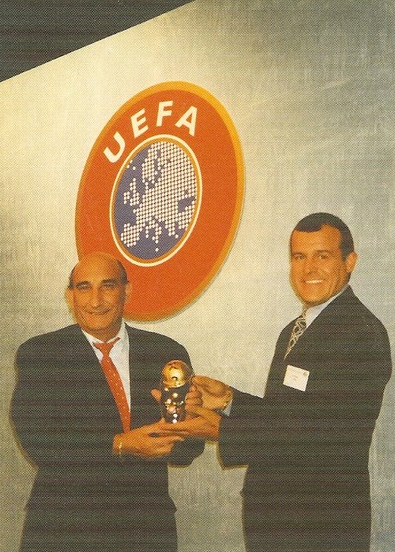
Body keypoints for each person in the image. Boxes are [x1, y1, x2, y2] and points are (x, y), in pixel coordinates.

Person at [163, 213, 392, 552]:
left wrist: (223, 429)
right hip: (276, 522)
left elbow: (325, 437)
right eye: (299, 257)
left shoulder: (361, 333)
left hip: (322, 528)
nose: (308, 268)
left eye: (322, 256)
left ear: (349, 262)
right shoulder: (293, 331)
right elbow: (289, 415)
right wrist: (229, 400)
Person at [11, 251, 203, 552]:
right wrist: (121, 444)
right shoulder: (41, 354)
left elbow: (188, 451)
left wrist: (189, 421)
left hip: (146, 531)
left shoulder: (165, 353)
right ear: (70, 296)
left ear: (127, 291)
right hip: (64, 530)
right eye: (84, 287)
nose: (96, 300)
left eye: (108, 286)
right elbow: (39, 440)